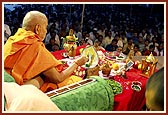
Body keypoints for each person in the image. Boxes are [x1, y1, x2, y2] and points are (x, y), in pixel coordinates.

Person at [4, 11, 88, 93]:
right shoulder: (35, 46)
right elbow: (58, 78)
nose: (46, 31)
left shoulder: (12, 40)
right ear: (37, 28)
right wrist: (77, 63)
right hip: (19, 90)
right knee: (73, 80)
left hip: (5, 84)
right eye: (45, 27)